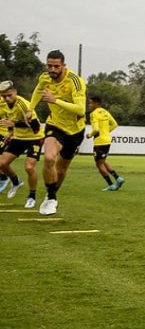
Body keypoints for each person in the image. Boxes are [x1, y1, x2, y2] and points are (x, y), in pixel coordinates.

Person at [25, 50, 87, 216]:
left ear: (63, 66)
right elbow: (38, 90)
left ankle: (51, 194)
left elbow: (81, 109)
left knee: (61, 170)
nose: (52, 69)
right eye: (49, 65)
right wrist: (30, 109)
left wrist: (55, 100)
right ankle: (51, 198)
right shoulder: (45, 77)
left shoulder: (75, 81)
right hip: (55, 125)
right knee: (49, 157)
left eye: (56, 66)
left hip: (75, 130)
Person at [0, 80, 44, 208]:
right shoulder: (3, 105)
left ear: (15, 92)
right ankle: (16, 182)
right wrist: (10, 131)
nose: (7, 99)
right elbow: (8, 119)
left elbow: (36, 127)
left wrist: (14, 125)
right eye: (4, 96)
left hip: (34, 138)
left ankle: (32, 196)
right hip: (18, 138)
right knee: (2, 164)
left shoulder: (23, 104)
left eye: (9, 95)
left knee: (29, 167)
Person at [86, 96, 125, 191]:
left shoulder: (93, 114)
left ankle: (111, 185)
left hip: (99, 141)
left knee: (99, 164)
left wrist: (89, 135)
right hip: (107, 140)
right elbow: (115, 124)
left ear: (96, 103)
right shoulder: (106, 112)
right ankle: (118, 178)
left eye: (91, 103)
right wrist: (106, 132)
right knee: (102, 161)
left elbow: (95, 129)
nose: (89, 105)